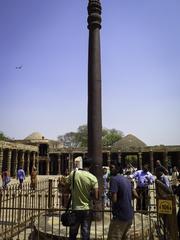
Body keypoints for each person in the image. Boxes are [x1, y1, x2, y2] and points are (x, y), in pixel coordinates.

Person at [68, 157, 99, 240]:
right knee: (85, 233)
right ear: (90, 166)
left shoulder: (73, 174)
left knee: (73, 233)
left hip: (75, 208)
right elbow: (96, 197)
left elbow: (66, 187)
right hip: (87, 209)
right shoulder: (93, 178)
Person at [107, 160, 134, 240]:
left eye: (111, 168)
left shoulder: (114, 179)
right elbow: (135, 195)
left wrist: (109, 196)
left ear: (117, 169)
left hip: (120, 216)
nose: (110, 170)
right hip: (129, 215)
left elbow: (114, 199)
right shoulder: (127, 179)